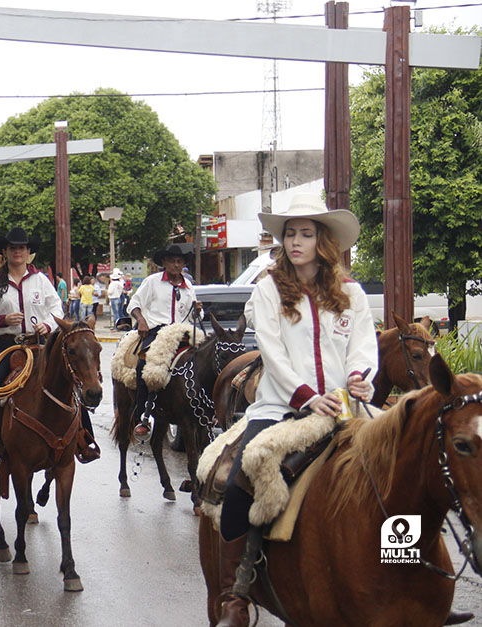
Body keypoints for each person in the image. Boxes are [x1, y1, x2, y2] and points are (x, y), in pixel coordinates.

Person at [214, 194, 377, 627]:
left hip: (346, 408)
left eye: (306, 233)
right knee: (239, 481)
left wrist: (361, 375)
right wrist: (306, 396)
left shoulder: (352, 294)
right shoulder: (269, 289)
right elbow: (271, 349)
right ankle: (235, 592)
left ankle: (417, 576)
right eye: (290, 234)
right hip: (282, 409)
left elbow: (363, 345)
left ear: (323, 240)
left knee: (408, 464)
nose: (296, 241)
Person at [0, 228, 100, 480]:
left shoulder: (40, 281)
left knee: (69, 381)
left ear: (28, 253)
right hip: (6, 345)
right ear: (5, 252)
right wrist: (2, 319)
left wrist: (48, 324)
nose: (18, 252)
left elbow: (56, 308)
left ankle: (83, 439)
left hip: (40, 344)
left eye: (23, 248)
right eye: (13, 248)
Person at [127, 244, 201, 441]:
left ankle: (202, 408)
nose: (176, 265)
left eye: (180, 261)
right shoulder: (152, 282)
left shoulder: (188, 286)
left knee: (204, 361)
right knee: (143, 365)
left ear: (184, 264)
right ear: (165, 263)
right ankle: (142, 417)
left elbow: (192, 315)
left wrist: (197, 310)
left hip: (182, 334)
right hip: (157, 332)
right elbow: (133, 304)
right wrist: (141, 320)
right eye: (172, 261)